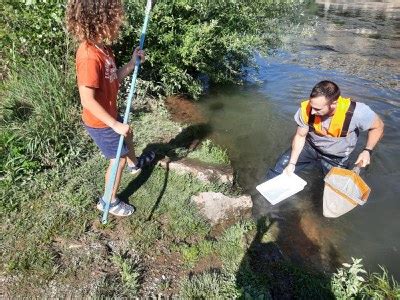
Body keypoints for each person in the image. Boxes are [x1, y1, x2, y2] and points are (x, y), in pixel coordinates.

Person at [66, 0, 155, 217]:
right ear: (100, 21)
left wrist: (131, 65)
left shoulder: (103, 48)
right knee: (118, 159)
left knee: (128, 134)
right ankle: (108, 201)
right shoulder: (88, 56)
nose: (118, 22)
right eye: (114, 18)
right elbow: (87, 100)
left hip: (109, 114)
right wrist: (114, 124)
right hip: (100, 121)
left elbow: (112, 79)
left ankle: (136, 165)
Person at [265, 80, 384, 181]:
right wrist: (292, 164)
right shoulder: (306, 109)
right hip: (310, 147)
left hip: (336, 157)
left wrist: (367, 150)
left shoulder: (357, 112)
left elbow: (378, 126)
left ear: (333, 104)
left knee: (334, 189)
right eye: (311, 106)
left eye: (317, 109)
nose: (312, 112)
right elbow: (300, 136)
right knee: (279, 170)